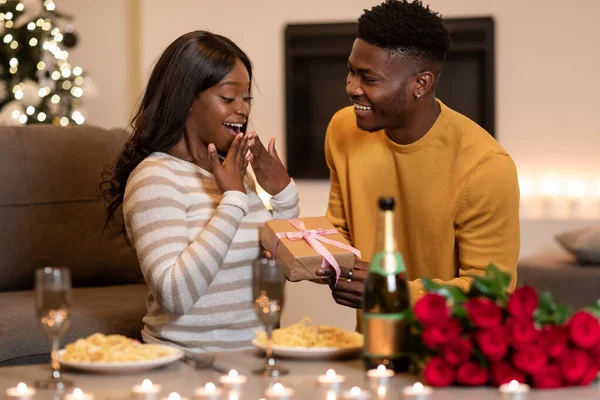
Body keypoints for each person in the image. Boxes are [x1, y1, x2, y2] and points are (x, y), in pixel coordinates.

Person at [102, 30, 299, 352]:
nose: (243, 110)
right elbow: (175, 295)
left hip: (255, 356)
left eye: (246, 99)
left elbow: (272, 262)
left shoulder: (229, 172)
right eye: (228, 98)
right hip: (187, 365)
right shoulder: (155, 177)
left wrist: (283, 195)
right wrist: (233, 199)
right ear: (187, 98)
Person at [316, 0, 520, 311]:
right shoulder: (343, 128)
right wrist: (281, 204)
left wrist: (392, 292)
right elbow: (339, 231)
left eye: (368, 79)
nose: (351, 88)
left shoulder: (486, 167)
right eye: (350, 71)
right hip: (371, 343)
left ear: (420, 83)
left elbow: (491, 294)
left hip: (447, 354)